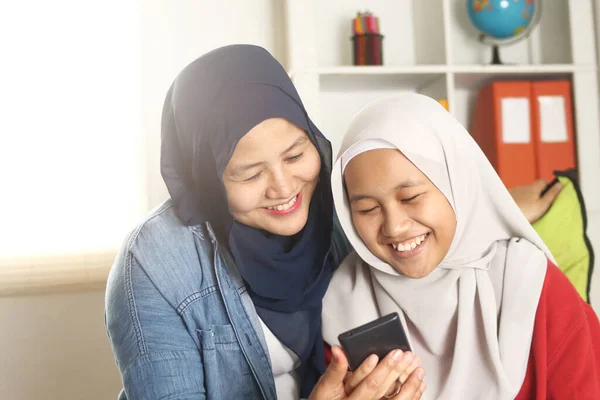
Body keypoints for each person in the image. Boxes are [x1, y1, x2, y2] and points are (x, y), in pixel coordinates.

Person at [104, 44, 425, 400]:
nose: (285, 188)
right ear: (207, 180)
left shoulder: (346, 214)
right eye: (252, 175)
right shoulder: (155, 263)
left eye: (296, 155)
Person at [321, 94, 600, 399]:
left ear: (457, 183)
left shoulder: (528, 284)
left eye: (410, 197)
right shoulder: (341, 305)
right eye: (367, 209)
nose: (394, 226)